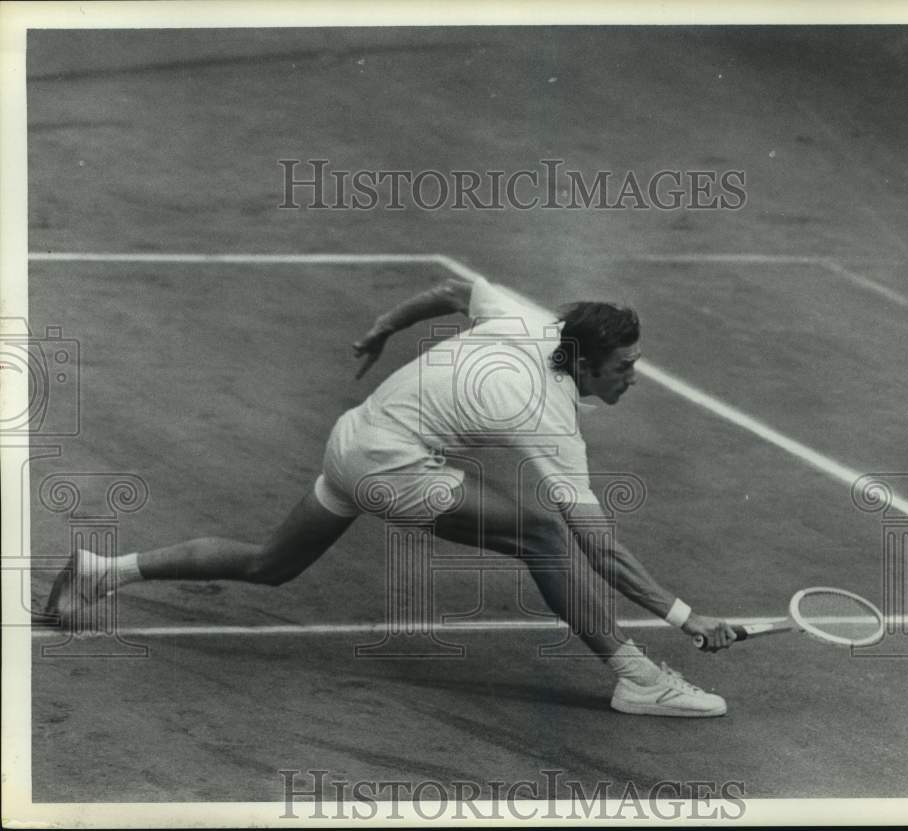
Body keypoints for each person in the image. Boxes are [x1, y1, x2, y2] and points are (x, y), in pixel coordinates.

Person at [46, 274, 737, 716]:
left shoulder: (531, 325)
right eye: (623, 366)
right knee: (546, 536)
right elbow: (600, 549)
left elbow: (452, 290)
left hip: (352, 439)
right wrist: (686, 616)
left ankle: (105, 570)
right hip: (393, 465)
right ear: (584, 361)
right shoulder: (547, 415)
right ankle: (637, 676)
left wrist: (381, 325)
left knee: (270, 564)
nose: (633, 377)